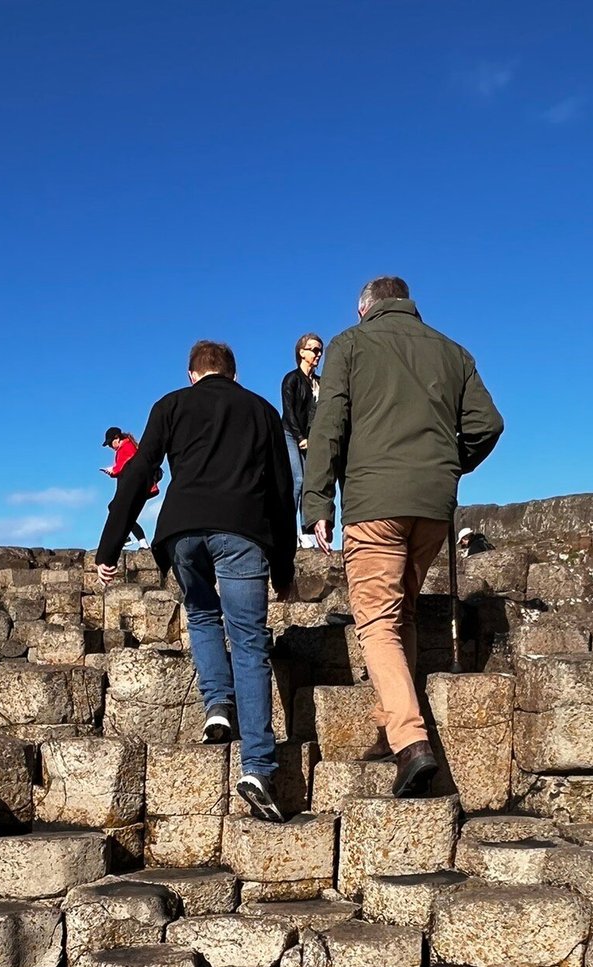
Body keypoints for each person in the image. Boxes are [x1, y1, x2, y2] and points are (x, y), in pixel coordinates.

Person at [303, 276, 503, 797]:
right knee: (403, 613)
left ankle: (411, 744)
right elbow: (487, 424)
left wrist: (317, 501)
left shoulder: (350, 344)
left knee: (375, 620)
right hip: (433, 507)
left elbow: (328, 429)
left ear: (365, 307)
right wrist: (447, 468)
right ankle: (391, 720)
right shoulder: (453, 351)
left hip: (374, 503)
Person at [95, 341, 296, 823]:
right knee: (249, 643)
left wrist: (110, 545)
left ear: (192, 374)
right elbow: (282, 491)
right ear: (232, 373)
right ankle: (258, 768)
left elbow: (138, 472)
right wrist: (285, 565)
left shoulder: (171, 404)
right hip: (243, 531)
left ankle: (217, 706)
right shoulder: (262, 410)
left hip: (183, 531)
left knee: (203, 615)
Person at [281, 334, 324, 547]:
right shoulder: (291, 379)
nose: (318, 355)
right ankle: (288, 531)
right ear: (302, 352)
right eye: (314, 350)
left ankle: (307, 532)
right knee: (297, 480)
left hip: (310, 438)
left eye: (320, 351)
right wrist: (299, 437)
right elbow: (288, 411)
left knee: (310, 483)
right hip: (290, 433)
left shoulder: (319, 383)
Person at [101, 428, 159, 546]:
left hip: (133, 488)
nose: (110, 447)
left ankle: (128, 538)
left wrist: (112, 471)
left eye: (110, 443)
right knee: (127, 514)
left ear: (117, 438)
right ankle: (143, 544)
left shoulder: (126, 447)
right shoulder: (128, 446)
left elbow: (124, 466)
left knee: (115, 508)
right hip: (136, 487)